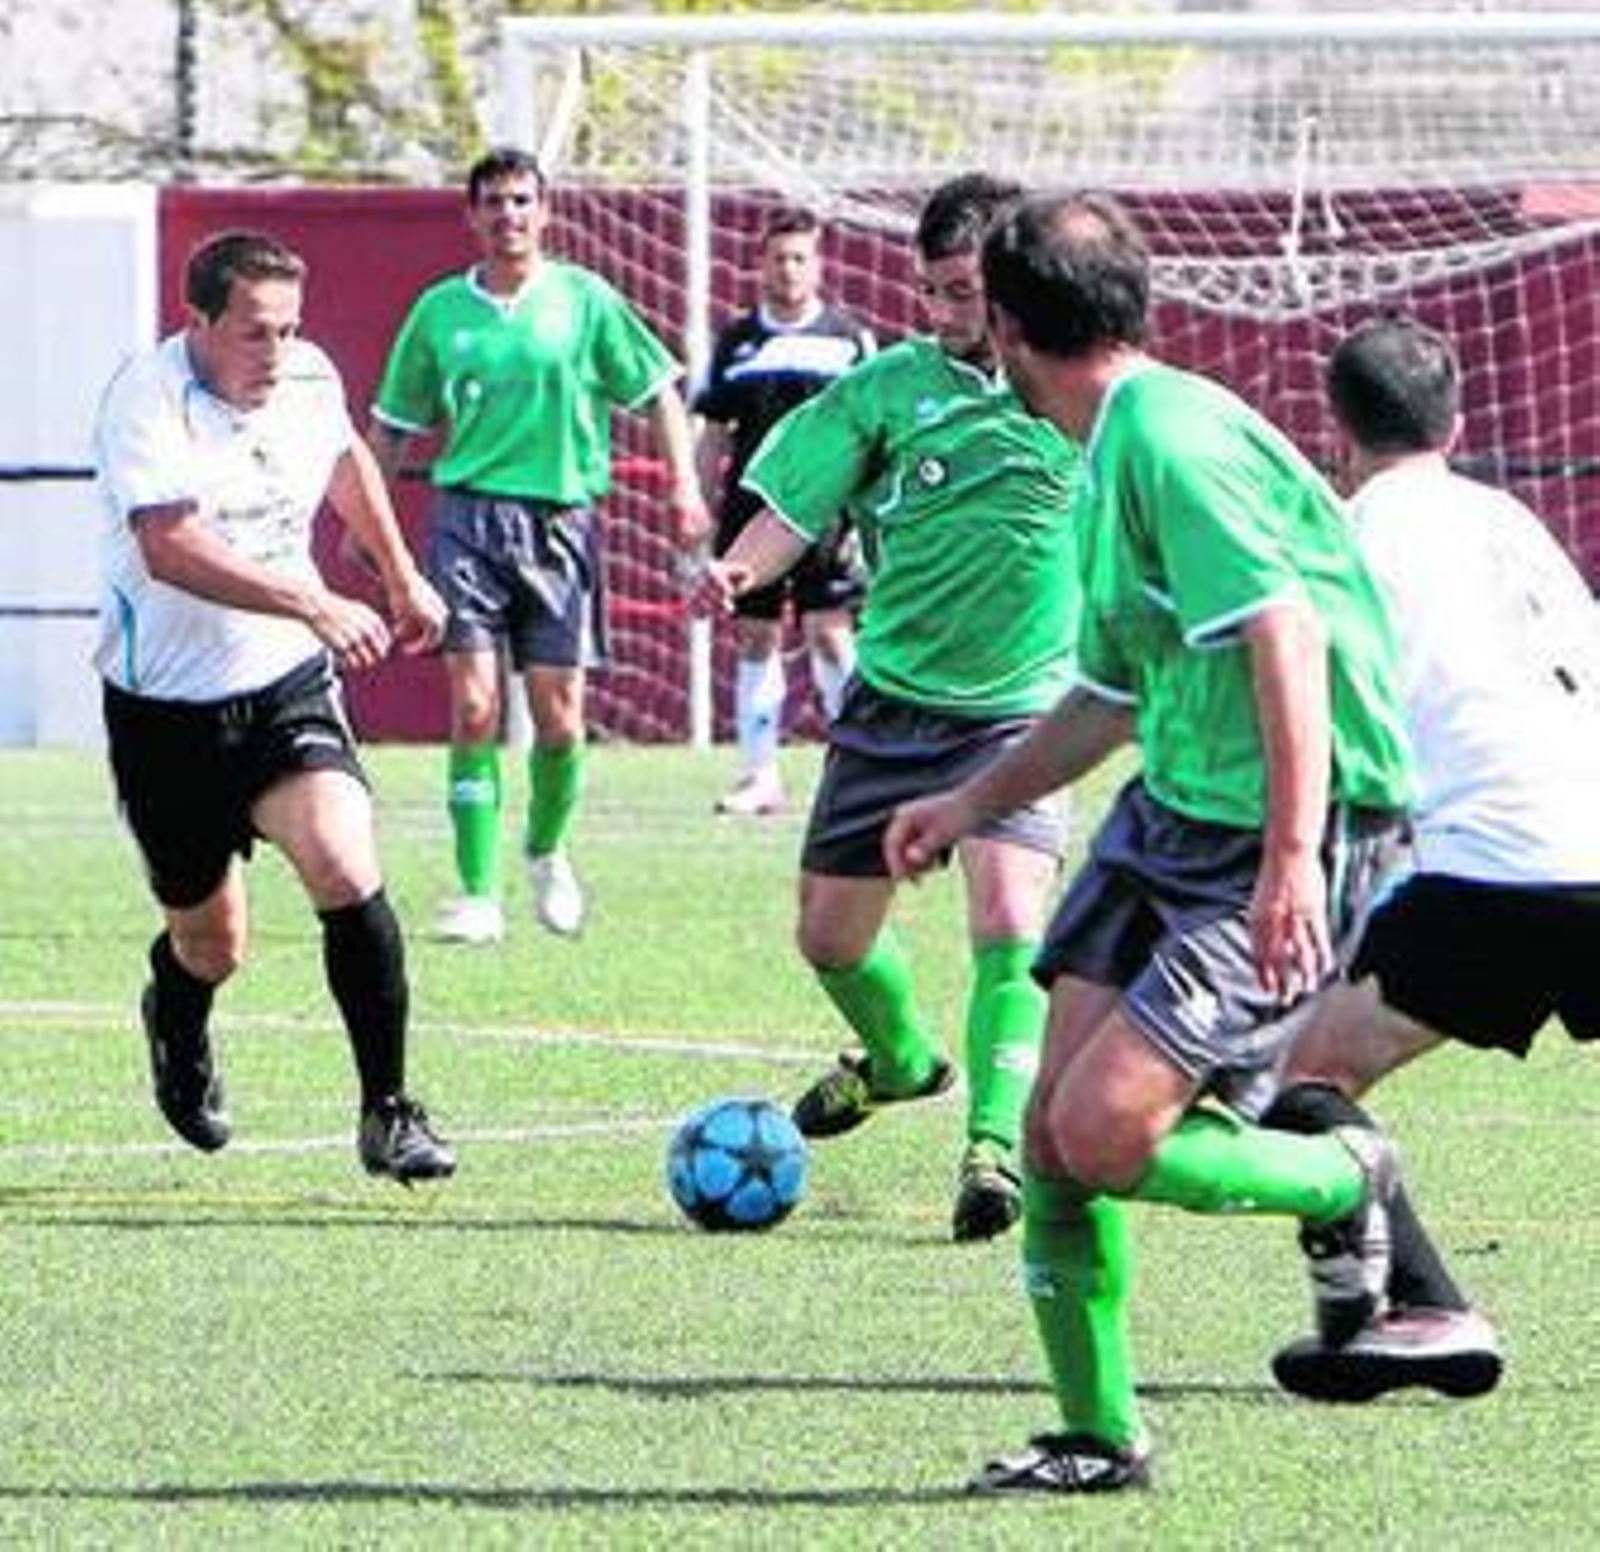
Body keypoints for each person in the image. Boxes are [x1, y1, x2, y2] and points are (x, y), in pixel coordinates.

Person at [884, 191, 1417, 1494]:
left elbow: (1283, 638)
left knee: (1109, 1132)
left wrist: (1293, 858)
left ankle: (1341, 1180)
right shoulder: (1112, 442)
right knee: (1052, 1137)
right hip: (1175, 812)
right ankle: (1095, 1435)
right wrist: (971, 802)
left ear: (1003, 329)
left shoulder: (1172, 442)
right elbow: (1114, 693)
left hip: (1281, 827)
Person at [695, 173, 1083, 1243]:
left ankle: (993, 1148)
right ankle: (903, 1063)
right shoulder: (884, 390)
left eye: (962, 290)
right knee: (830, 940)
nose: (942, 310)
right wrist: (736, 571)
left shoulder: (1079, 392)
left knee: (1011, 923)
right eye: (931, 290)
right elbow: (789, 505)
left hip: (1021, 712)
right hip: (893, 708)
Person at [1260, 315, 1600, 1404]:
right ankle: (1377, 1308)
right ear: (1453, 421)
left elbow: (1336, 728)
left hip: (1505, 866)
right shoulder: (1510, 517)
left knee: (1301, 1075)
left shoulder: (1349, 535)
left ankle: (1423, 1306)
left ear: (1333, 426)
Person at [93, 228, 455, 1184]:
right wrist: (317, 599)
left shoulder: (307, 378)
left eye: (289, 330)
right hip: (165, 714)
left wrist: (401, 574)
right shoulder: (146, 398)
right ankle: (176, 1015)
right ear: (198, 319)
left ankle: (389, 1110)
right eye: (255, 333)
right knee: (211, 946)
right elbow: (169, 546)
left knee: (343, 860)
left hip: (284, 685)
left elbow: (344, 462)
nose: (278, 354)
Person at [369, 146, 710, 946]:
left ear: (545, 212)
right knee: (476, 704)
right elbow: (392, 425)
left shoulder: (584, 301)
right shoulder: (440, 312)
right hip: (467, 520)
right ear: (471, 215)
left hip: (561, 523)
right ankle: (476, 890)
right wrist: (371, 524)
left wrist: (684, 486)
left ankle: (547, 851)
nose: (508, 216)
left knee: (559, 719)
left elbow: (656, 388)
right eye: (493, 202)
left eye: (522, 201)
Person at [692, 206, 877, 816]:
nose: (789, 269)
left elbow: (876, 434)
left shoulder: (849, 337)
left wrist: (866, 516)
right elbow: (715, 431)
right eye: (778, 257)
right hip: (752, 514)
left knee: (830, 634)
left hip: (829, 515)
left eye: (800, 257)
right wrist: (696, 504)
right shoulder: (738, 340)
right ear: (759, 264)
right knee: (754, 636)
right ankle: (759, 775)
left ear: (818, 265)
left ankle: (863, 762)